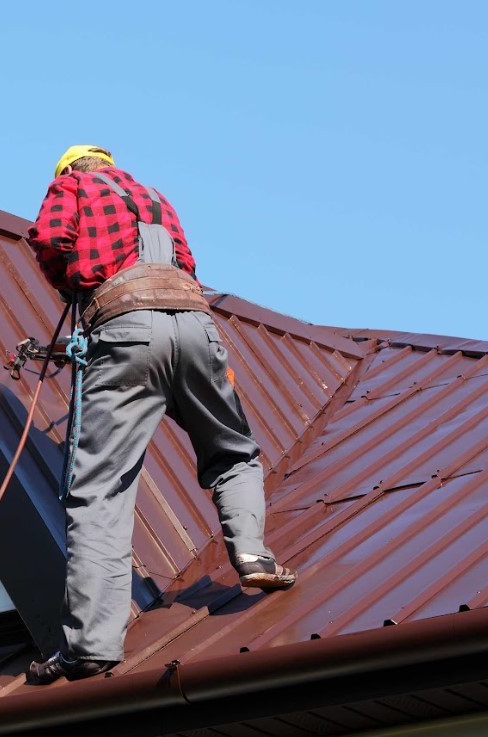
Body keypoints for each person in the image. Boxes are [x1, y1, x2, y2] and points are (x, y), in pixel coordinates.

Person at [24, 145, 296, 685]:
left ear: (71, 170)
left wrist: (71, 282)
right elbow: (186, 265)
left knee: (98, 488)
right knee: (234, 449)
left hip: (125, 328)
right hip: (197, 325)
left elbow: (50, 238)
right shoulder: (155, 198)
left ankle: (91, 646)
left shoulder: (73, 187)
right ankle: (254, 557)